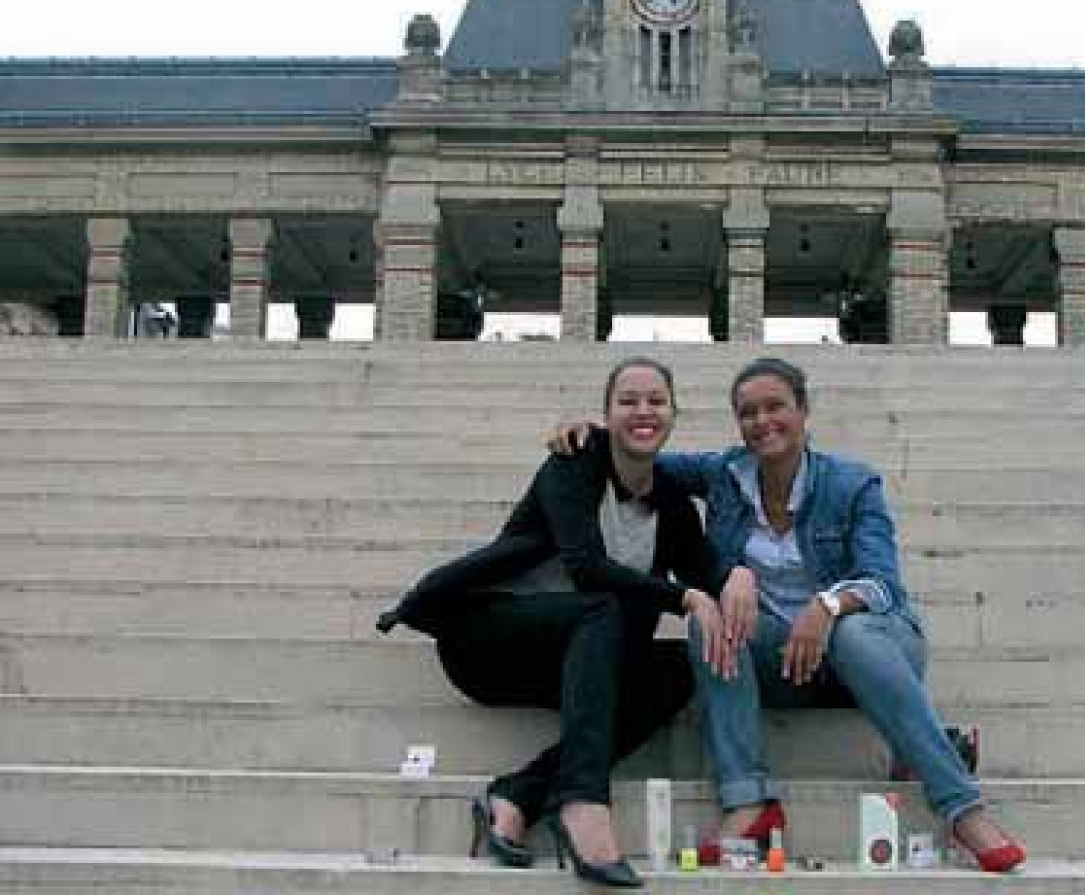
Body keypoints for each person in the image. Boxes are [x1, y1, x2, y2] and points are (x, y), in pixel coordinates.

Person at [553, 357, 1026, 873]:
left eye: (776, 407)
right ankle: (747, 802)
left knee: (853, 635)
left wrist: (827, 606)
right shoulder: (725, 475)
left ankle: (962, 806)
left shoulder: (852, 483)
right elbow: (642, 454)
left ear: (804, 411)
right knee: (708, 619)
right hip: (782, 661)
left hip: (869, 647)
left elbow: (882, 583)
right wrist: (592, 436)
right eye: (748, 412)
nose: (763, 422)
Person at [377, 357, 732, 888]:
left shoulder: (674, 506)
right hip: (489, 641)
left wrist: (737, 577)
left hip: (580, 664)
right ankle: (584, 799)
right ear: (606, 415)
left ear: (675, 414)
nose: (643, 411)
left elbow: (708, 571)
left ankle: (519, 793)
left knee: (679, 670)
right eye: (628, 400)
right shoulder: (573, 462)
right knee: (602, 604)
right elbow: (586, 567)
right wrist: (684, 598)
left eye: (656, 401)